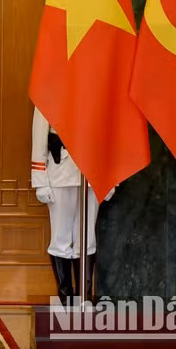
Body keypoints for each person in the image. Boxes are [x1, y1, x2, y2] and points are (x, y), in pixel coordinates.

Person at [31, 107, 113, 304]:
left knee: (87, 238)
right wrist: (40, 179)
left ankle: (84, 297)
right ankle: (65, 297)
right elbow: (39, 134)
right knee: (60, 238)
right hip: (61, 170)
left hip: (93, 171)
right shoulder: (50, 91)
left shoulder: (99, 91)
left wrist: (111, 178)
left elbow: (111, 133)